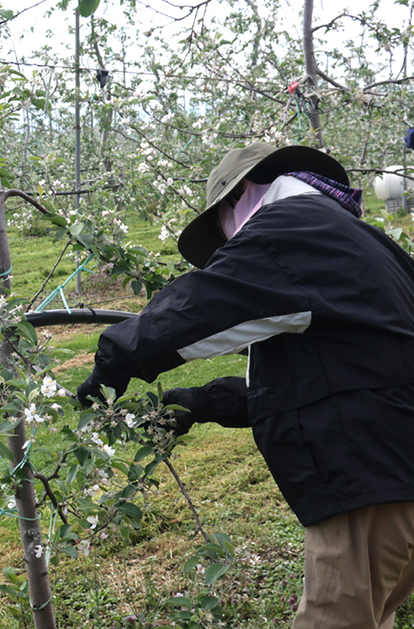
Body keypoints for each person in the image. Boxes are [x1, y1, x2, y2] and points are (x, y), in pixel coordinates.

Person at [76, 142, 414, 629]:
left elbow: (201, 305)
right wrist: (204, 403)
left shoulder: (290, 230)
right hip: (396, 468)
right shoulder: (352, 238)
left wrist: (114, 359)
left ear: (242, 195)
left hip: (369, 478)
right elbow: (336, 373)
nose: (228, 249)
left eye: (223, 234)